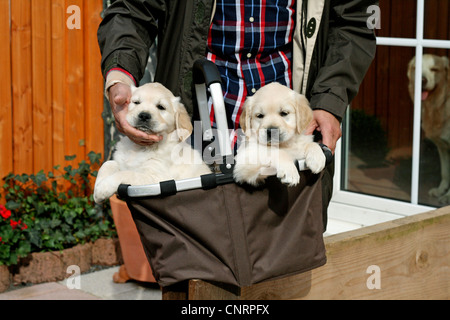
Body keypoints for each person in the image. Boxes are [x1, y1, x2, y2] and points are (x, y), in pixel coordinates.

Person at [97, 0, 377, 230]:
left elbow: (353, 19)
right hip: (196, 137)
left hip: (287, 142)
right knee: (193, 271)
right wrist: (119, 72)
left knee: (285, 267)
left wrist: (329, 100)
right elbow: (132, 9)